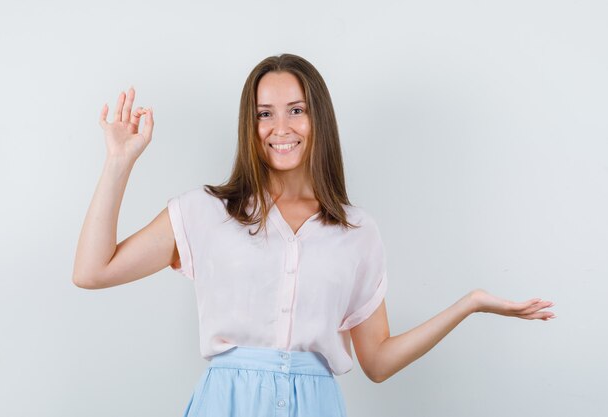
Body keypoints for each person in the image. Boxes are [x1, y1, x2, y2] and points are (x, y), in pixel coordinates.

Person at [72, 53, 556, 417]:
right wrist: (119, 162)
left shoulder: (356, 230)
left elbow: (378, 361)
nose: (280, 127)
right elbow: (93, 271)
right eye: (265, 113)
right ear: (250, 123)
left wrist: (468, 303)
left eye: (295, 110)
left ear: (317, 118)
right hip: (228, 403)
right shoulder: (206, 211)